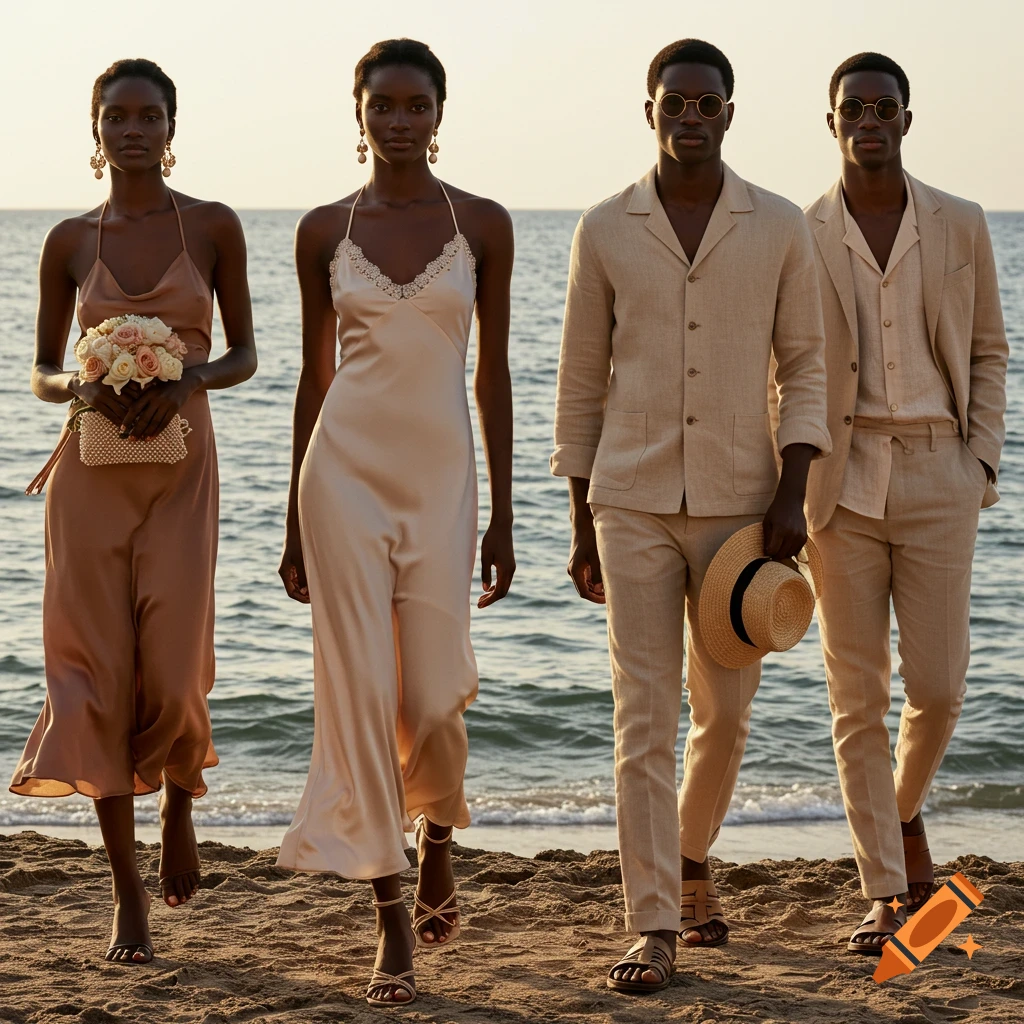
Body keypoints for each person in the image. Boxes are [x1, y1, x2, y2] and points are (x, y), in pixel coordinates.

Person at [551, 38, 830, 993]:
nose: (690, 115)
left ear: (729, 113)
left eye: (707, 103)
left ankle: (692, 854)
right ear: (651, 110)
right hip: (628, 499)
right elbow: (580, 381)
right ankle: (654, 922)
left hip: (740, 508)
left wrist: (793, 490)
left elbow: (806, 368)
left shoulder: (781, 225)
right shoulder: (605, 226)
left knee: (724, 712)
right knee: (641, 715)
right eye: (675, 101)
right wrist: (579, 518)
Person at [276, 38, 515, 1008]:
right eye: (385, 103)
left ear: (440, 112)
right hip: (339, 479)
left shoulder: (485, 226)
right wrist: (292, 516)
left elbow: (490, 374)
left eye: (418, 104)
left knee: (432, 694)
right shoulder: (323, 229)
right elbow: (312, 375)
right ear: (359, 110)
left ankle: (438, 837)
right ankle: (388, 921)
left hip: (442, 482)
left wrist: (504, 510)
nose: (401, 120)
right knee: (363, 695)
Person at [10, 59, 257, 964]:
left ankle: (181, 807)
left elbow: (245, 356)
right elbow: (39, 373)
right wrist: (85, 380)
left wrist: (184, 374)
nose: (134, 130)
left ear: (171, 125)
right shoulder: (70, 240)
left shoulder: (216, 225)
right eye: (118, 116)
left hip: (181, 469)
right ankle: (127, 899)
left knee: (179, 663)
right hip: (89, 471)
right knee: (89, 674)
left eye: (150, 116)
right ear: (95, 128)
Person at [804, 52, 1007, 954]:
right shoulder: (800, 230)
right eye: (854, 109)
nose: (869, 121)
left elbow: (992, 352)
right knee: (857, 698)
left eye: (884, 108)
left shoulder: (960, 224)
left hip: (938, 472)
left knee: (939, 688)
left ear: (907, 119)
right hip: (840, 484)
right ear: (833, 121)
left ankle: (900, 815)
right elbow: (789, 367)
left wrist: (982, 464)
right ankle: (886, 891)